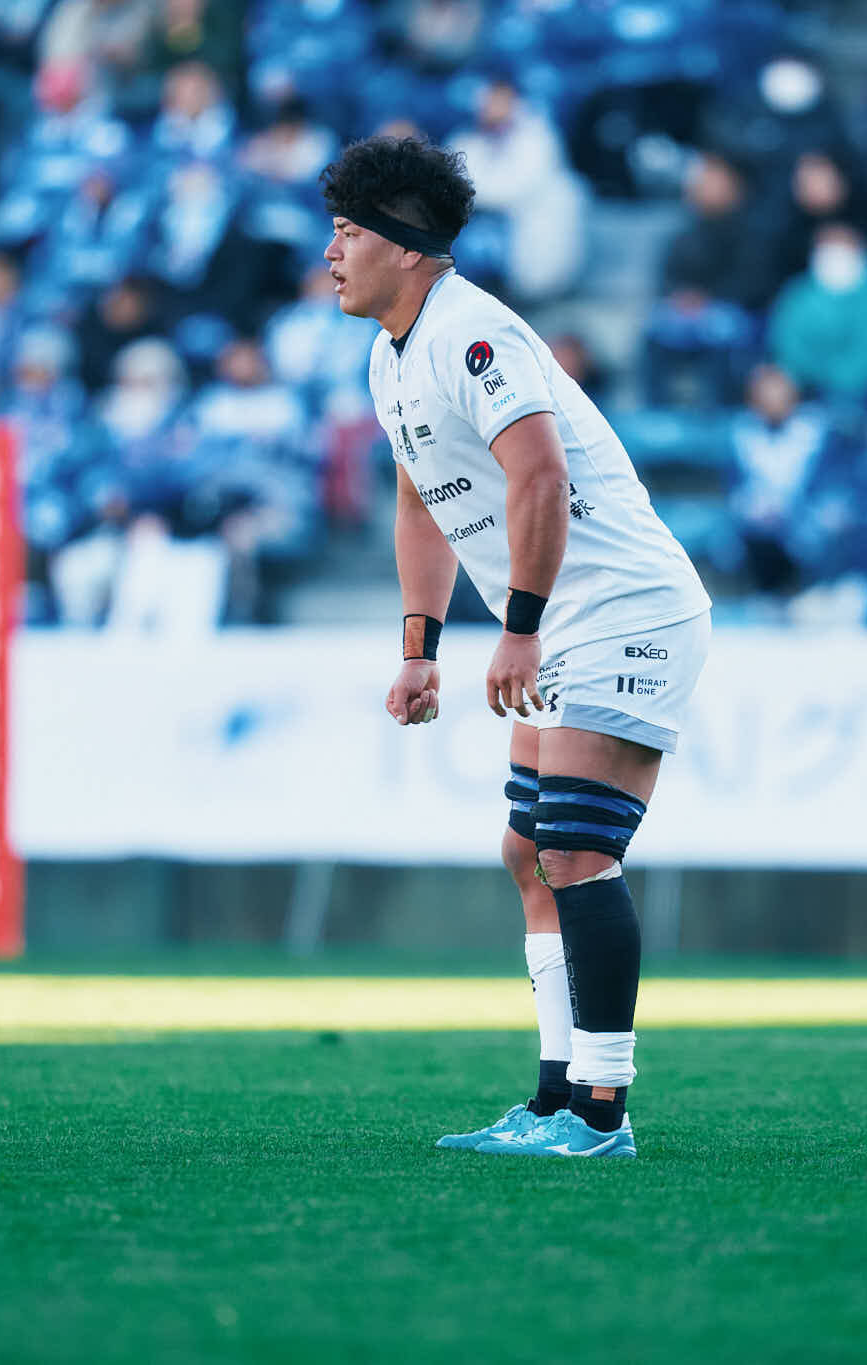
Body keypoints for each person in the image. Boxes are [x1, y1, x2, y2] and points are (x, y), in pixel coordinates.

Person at [323, 134, 711, 1158]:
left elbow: (539, 475)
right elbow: (421, 503)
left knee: (576, 850)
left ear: (406, 247)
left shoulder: (472, 332)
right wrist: (419, 647)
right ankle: (552, 1098)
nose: (331, 251)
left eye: (349, 231)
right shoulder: (389, 356)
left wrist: (519, 627)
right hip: (561, 617)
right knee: (527, 853)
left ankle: (602, 1111)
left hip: (620, 607)